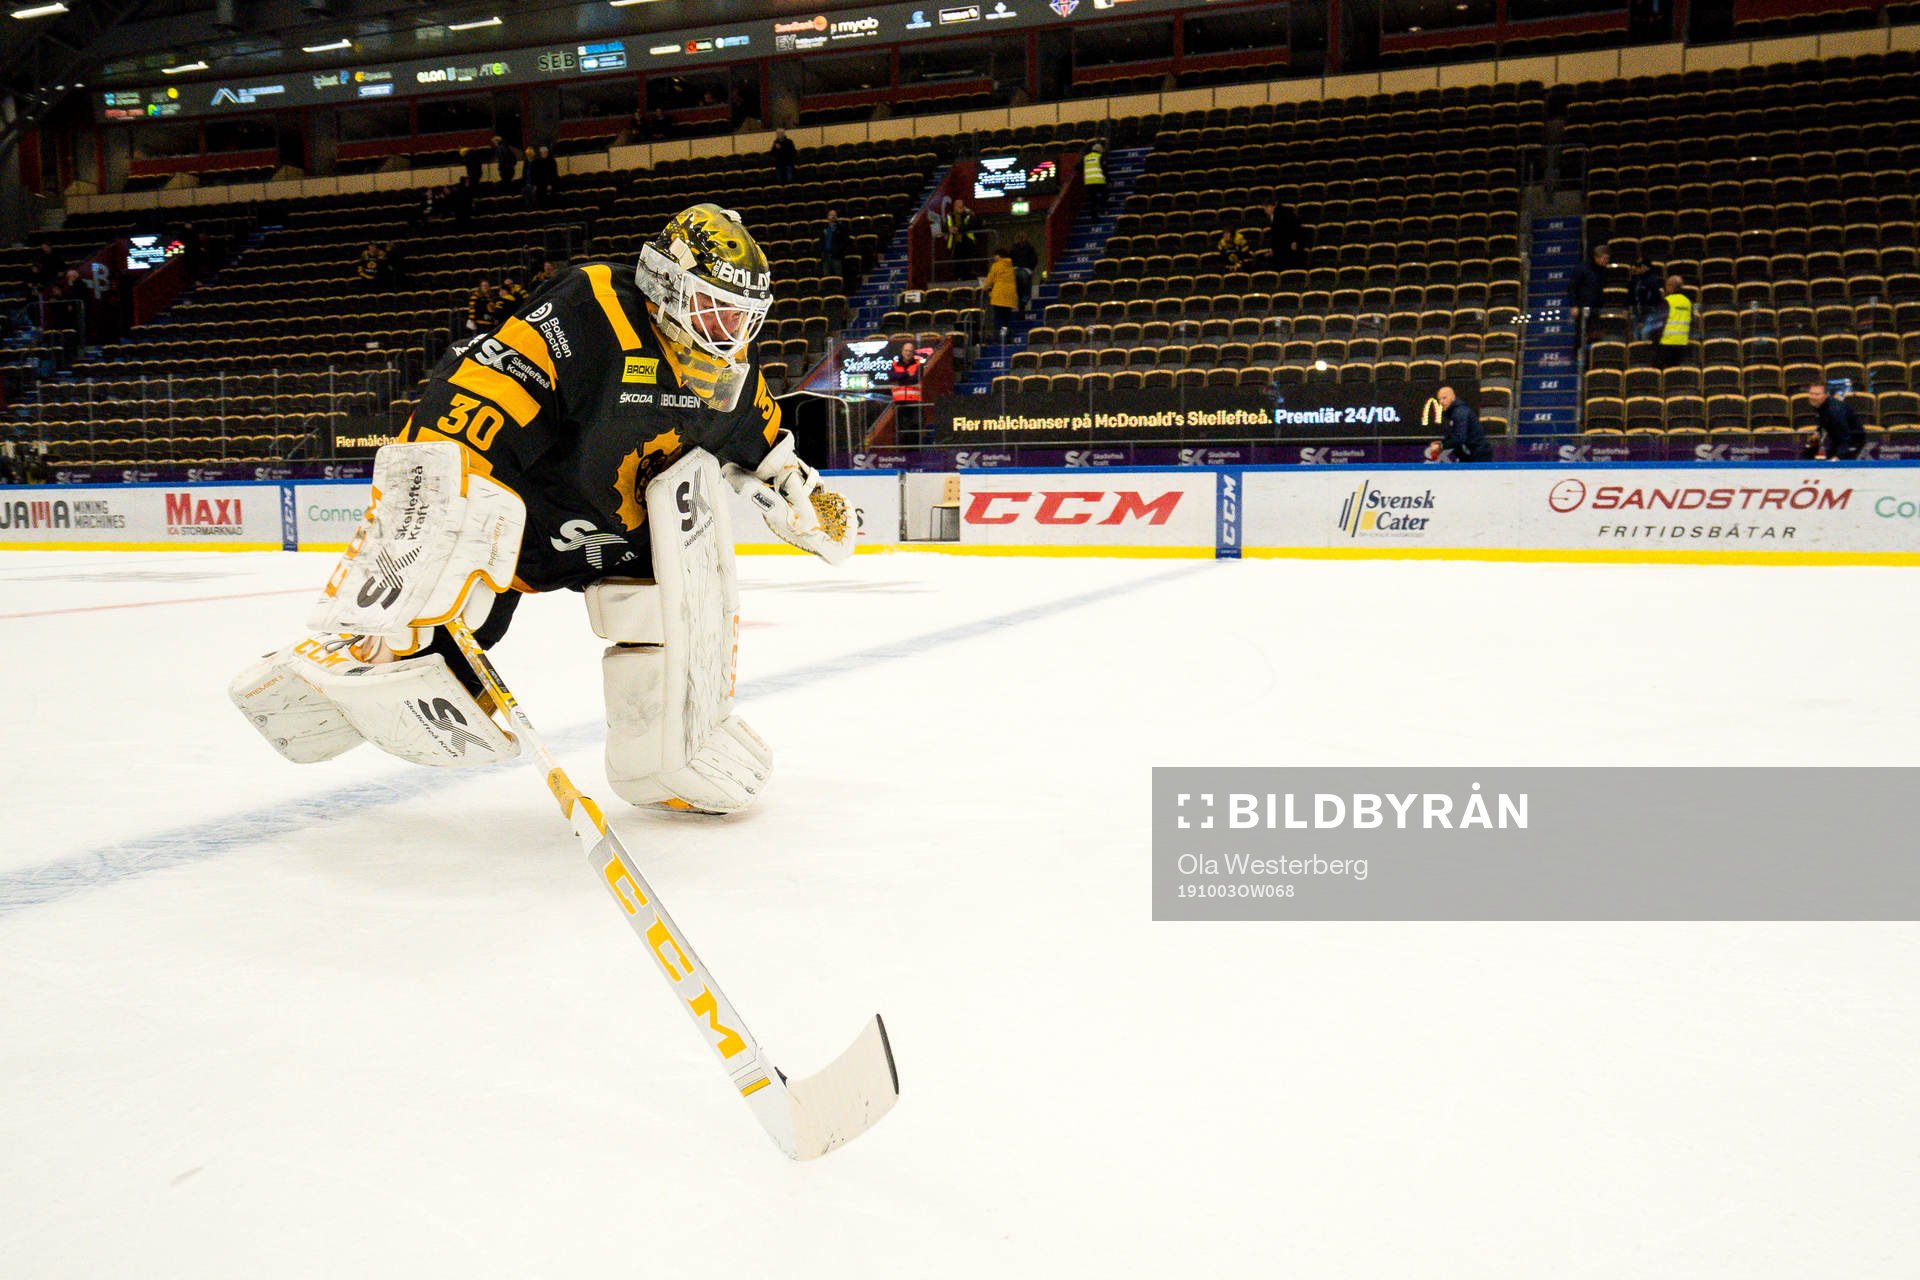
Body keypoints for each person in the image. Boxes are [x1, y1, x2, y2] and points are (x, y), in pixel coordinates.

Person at [228, 204, 853, 819]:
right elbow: (484, 390)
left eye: (743, 316)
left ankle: (664, 762)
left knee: (667, 615)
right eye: (715, 309)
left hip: (621, 540)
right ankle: (361, 662)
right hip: (530, 522)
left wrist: (800, 493)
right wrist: (434, 491)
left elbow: (763, 443)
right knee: (455, 614)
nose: (729, 332)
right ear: (666, 284)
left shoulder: (730, 374)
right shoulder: (592, 310)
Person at [1430, 385, 1491, 462]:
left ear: (1453, 397)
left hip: (1478, 455)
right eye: (1439, 399)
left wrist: (1441, 446)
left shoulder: (1460, 413)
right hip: (1469, 454)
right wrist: (1442, 443)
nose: (1441, 401)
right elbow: (1454, 434)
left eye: (1444, 398)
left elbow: (1459, 438)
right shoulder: (1452, 413)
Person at [1806, 381, 1866, 460]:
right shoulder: (1820, 405)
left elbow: (1846, 438)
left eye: (1817, 394)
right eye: (1811, 393)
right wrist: (1817, 434)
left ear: (1826, 395)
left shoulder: (1835, 411)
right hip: (1837, 442)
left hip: (1852, 444)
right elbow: (1824, 423)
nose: (1813, 397)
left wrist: (1837, 458)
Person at [1568, 244, 1609, 347]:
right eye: (1605, 258)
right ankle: (1579, 352)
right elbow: (1572, 287)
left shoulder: (1603, 270)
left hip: (1596, 308)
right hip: (1583, 307)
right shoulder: (1582, 268)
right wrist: (1573, 305)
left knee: (1595, 334)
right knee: (1581, 334)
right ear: (1597, 257)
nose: (1606, 261)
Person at [1654, 274, 1693, 368]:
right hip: (1682, 343)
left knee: (1660, 371)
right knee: (1674, 372)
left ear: (1671, 286)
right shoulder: (1687, 302)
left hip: (1666, 343)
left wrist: (1654, 340)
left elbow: (1659, 322)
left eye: (1667, 285)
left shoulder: (1666, 301)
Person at [890, 339, 925, 439]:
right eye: (906, 350)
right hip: (899, 402)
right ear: (902, 351)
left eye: (910, 351)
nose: (908, 353)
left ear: (913, 352)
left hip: (914, 401)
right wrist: (907, 374)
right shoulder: (895, 364)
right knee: (901, 428)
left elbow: (915, 378)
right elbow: (891, 377)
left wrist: (900, 377)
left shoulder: (918, 364)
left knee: (915, 427)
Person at [984, 248, 1019, 338]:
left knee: (998, 318)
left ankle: (998, 337)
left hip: (999, 295)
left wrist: (984, 288)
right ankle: (1006, 336)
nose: (994, 257)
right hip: (1009, 296)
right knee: (1006, 319)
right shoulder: (1010, 266)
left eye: (995, 255)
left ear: (999, 256)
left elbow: (990, 279)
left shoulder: (996, 265)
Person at [1265, 197, 1306, 270]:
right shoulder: (1277, 215)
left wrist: (1295, 240)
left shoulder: (1283, 215)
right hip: (1284, 247)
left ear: (1272, 207)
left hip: (1287, 248)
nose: (1265, 211)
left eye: (1266, 208)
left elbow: (1294, 227)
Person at [1630, 260, 1665, 339]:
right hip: (1638, 313)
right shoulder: (1637, 279)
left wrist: (1642, 319)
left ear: (1644, 267)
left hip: (1648, 315)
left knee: (1645, 337)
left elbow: (1650, 301)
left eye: (1638, 267)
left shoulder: (1652, 281)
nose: (1635, 269)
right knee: (1637, 337)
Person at [1009, 234, 1038, 309]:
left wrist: (1013, 267)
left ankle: (1021, 303)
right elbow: (1034, 259)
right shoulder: (1030, 248)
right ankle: (1023, 301)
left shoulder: (1013, 248)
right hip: (1026, 270)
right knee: (1026, 289)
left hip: (1016, 269)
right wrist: (1030, 268)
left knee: (1019, 288)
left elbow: (1010, 259)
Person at [820, 209, 847, 283]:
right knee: (826, 276)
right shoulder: (824, 228)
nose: (833, 216)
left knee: (838, 275)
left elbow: (844, 241)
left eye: (834, 215)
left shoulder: (841, 228)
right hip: (826, 256)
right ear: (827, 217)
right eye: (831, 215)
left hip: (836, 256)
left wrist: (839, 250)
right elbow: (821, 241)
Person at [1083, 140, 1108, 218]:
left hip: (1088, 183)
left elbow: (1078, 166)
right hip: (1099, 181)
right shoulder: (1099, 157)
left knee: (1092, 200)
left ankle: (1093, 216)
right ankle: (1102, 209)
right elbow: (1104, 169)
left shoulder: (1086, 157)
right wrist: (1108, 179)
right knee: (1105, 195)